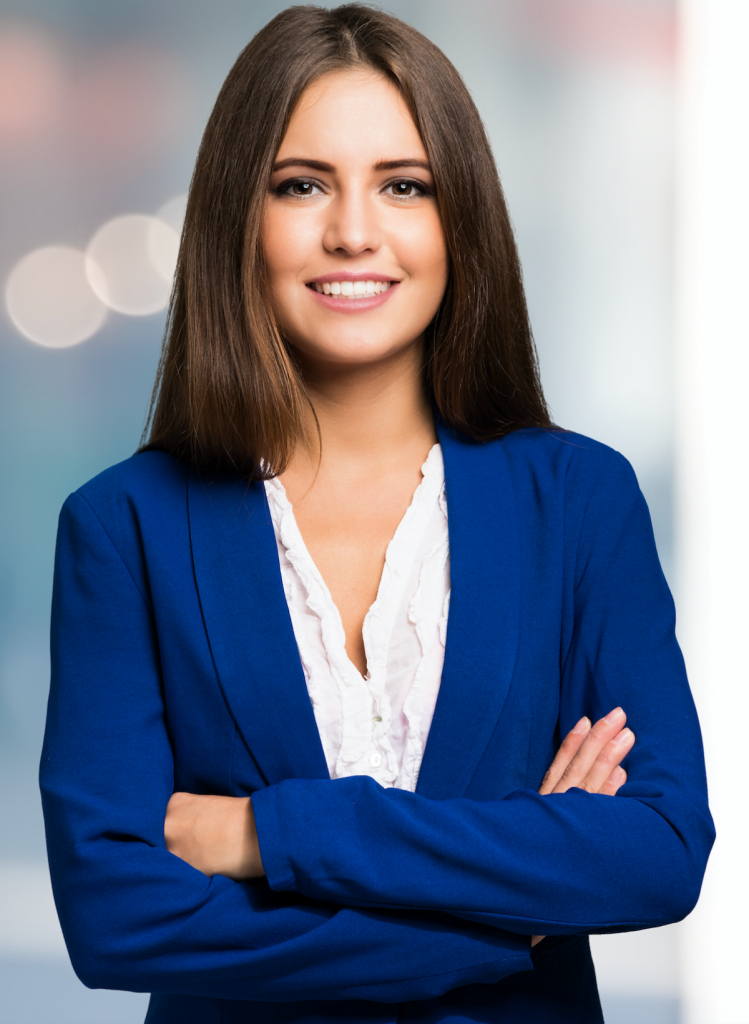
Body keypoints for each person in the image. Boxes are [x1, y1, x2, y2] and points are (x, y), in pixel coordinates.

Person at [40, 5, 714, 1023]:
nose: (353, 229)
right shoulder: (124, 526)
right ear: (238, 217)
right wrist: (509, 909)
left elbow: (658, 852)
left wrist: (269, 836)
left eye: (403, 186)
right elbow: (115, 917)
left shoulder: (578, 501)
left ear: (459, 220)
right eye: (301, 184)